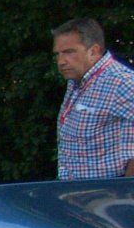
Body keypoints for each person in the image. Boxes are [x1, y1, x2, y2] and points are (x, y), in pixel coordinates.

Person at [51, 18, 134, 180]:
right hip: (76, 197)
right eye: (58, 54)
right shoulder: (76, 81)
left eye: (69, 52)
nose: (61, 61)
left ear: (94, 51)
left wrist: (126, 190)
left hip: (112, 200)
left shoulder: (122, 82)